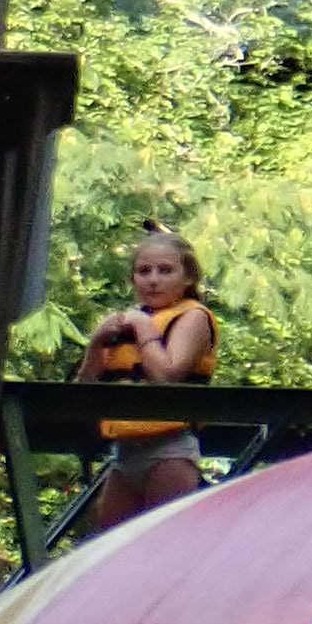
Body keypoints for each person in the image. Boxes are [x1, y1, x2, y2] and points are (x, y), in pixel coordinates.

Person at [71, 227, 215, 535]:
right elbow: (84, 391)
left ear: (188, 277)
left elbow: (166, 377)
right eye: (144, 271)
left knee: (165, 542)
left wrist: (144, 328)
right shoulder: (128, 321)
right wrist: (96, 344)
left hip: (169, 450)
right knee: (112, 545)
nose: (153, 279)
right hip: (124, 452)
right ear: (133, 278)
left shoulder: (193, 317)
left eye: (165, 270)